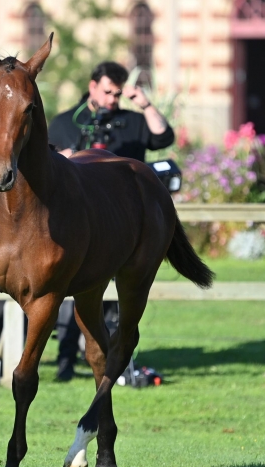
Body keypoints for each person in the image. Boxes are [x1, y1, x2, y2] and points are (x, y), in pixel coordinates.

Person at [48, 61, 176, 381]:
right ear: (92, 86)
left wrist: (143, 103)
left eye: (117, 94)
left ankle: (111, 365)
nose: (112, 100)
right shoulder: (66, 122)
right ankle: (65, 360)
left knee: (112, 300)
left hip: (117, 222)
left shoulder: (132, 121)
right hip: (74, 222)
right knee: (69, 296)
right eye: (107, 92)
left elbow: (163, 138)